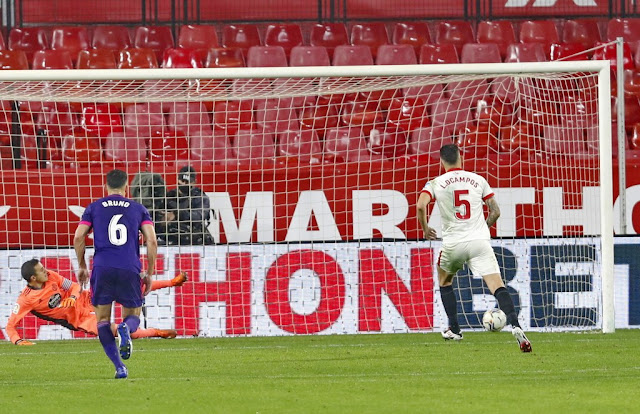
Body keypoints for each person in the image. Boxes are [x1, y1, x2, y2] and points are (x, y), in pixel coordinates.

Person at [416, 144, 532, 353]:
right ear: (461, 158)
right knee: (497, 286)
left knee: (445, 280)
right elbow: (495, 211)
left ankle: (455, 328)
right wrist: (482, 228)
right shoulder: (478, 179)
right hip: (479, 242)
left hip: (453, 244)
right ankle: (515, 325)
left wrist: (425, 229)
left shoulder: (435, 183)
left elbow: (420, 205)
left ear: (442, 161)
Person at [74, 168, 158, 379]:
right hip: (129, 267)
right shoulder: (138, 209)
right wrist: (148, 272)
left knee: (102, 320)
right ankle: (125, 329)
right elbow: (151, 240)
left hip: (102, 268)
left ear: (106, 186)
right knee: (133, 316)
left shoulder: (93, 207)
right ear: (126, 186)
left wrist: (82, 265)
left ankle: (119, 367)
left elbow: (79, 237)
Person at [6, 259, 187, 345]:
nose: (46, 271)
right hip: (80, 319)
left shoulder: (51, 276)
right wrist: (18, 341)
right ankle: (157, 332)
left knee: (126, 288)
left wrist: (74, 297)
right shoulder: (25, 299)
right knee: (120, 331)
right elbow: (10, 327)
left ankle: (172, 282)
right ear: (32, 278)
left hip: (87, 298)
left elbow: (74, 286)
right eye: (41, 271)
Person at [156, 165, 212, 246]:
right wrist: (162, 219)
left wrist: (176, 214)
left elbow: (199, 216)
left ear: (194, 182)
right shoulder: (169, 196)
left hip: (193, 240)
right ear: (178, 179)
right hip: (170, 239)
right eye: (182, 181)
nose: (184, 184)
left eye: (188, 182)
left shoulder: (200, 197)